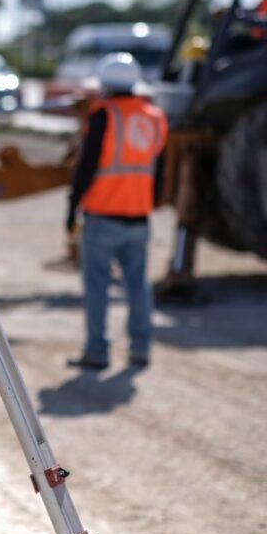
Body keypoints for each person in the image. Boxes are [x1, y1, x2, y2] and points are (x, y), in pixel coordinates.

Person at [65, 52, 168, 372]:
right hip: (138, 215)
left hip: (103, 214)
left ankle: (97, 351)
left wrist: (72, 209)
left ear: (105, 85)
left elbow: (86, 167)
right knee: (138, 284)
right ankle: (140, 349)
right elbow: (160, 170)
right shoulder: (154, 117)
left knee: (98, 286)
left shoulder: (103, 115)